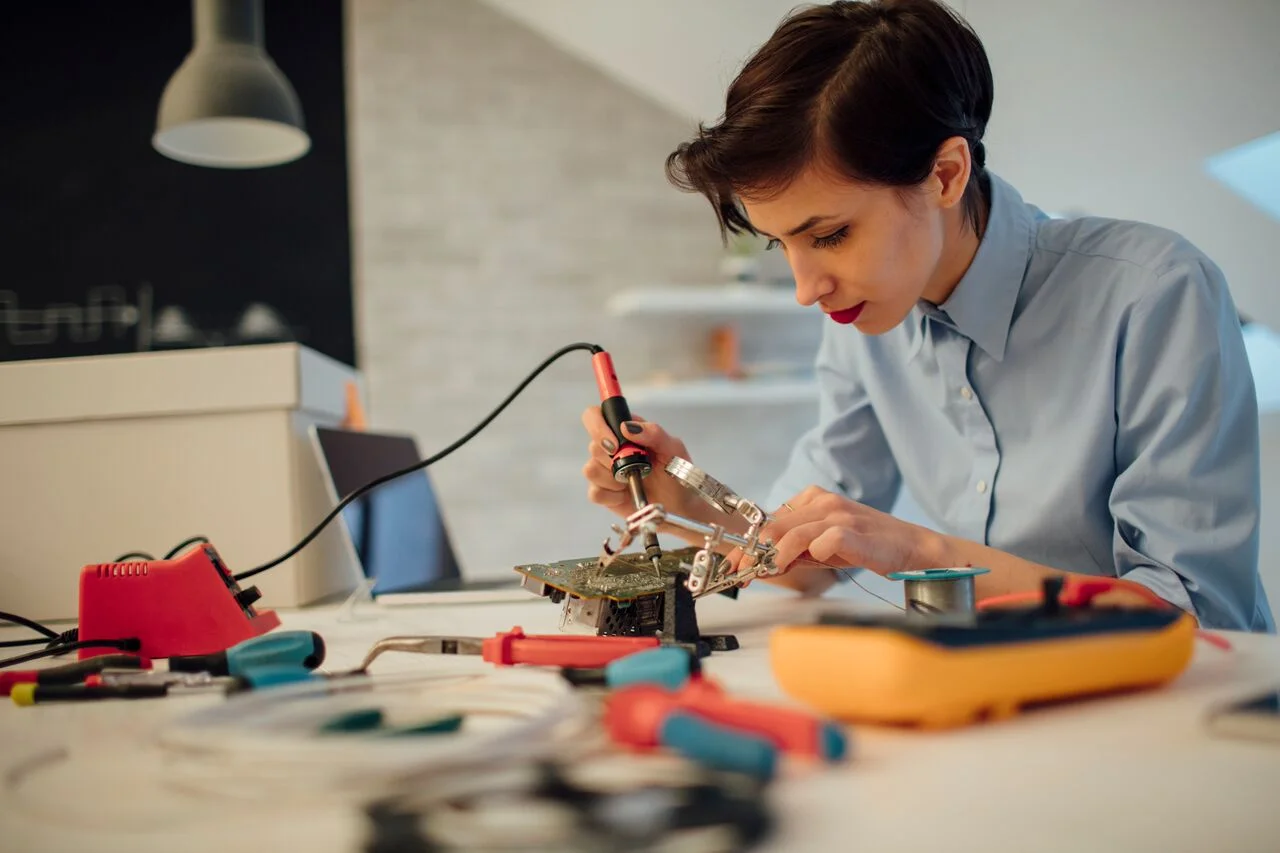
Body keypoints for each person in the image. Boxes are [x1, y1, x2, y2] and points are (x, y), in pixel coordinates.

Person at [580, 0, 1273, 631]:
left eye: (829, 235)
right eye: (780, 243)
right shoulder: (863, 321)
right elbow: (811, 556)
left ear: (945, 175)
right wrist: (684, 502)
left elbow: (1196, 614)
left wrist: (921, 551)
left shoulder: (1155, 294)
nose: (805, 288)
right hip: (998, 702)